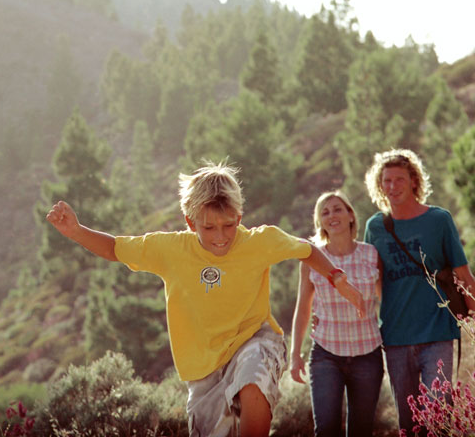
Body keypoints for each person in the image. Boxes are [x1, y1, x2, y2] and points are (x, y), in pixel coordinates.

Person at [47, 161, 366, 437]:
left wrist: (336, 278)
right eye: (208, 227)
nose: (220, 236)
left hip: (255, 339)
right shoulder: (171, 250)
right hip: (203, 370)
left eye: (229, 225)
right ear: (190, 222)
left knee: (252, 378)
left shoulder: (260, 241)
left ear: (239, 217)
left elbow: (306, 249)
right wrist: (76, 231)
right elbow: (115, 248)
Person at [364, 148, 475, 436]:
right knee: (409, 423)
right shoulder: (375, 227)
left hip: (437, 333)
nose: (392, 187)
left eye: (399, 179)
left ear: (414, 181)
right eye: (386, 181)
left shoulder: (439, 220)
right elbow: (370, 282)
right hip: (396, 336)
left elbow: (463, 275)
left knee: (439, 415)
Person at [290, 190, 383, 437]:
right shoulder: (311, 259)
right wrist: (295, 354)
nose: (332, 215)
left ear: (351, 215)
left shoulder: (371, 254)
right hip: (326, 356)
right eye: (325, 212)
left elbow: (385, 301)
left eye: (338, 209)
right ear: (319, 222)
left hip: (368, 356)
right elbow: (303, 308)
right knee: (326, 430)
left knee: (361, 431)